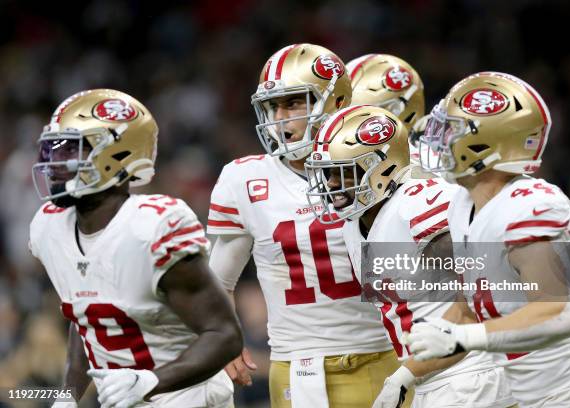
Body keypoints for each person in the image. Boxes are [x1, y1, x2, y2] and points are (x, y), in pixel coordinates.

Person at [207, 44, 401, 408]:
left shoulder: (380, 163)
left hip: (387, 353)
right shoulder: (245, 179)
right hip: (298, 365)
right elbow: (218, 279)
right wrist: (224, 337)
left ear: (336, 103)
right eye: (272, 106)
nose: (279, 117)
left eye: (294, 102)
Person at [405, 71, 570, 407]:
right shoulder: (464, 203)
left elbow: (560, 315)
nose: (437, 139)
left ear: (485, 144)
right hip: (527, 395)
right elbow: (470, 308)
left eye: (450, 131)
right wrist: (407, 374)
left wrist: (463, 339)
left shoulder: (530, 204)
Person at [29, 89, 242, 408]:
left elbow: (225, 336)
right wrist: (69, 395)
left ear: (118, 156)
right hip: (124, 399)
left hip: (186, 398)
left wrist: (152, 380)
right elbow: (87, 316)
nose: (55, 163)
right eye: (54, 150)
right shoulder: (50, 226)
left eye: (72, 150)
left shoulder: (152, 228)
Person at [305, 104, 515, 408]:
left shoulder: (417, 208)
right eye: (327, 173)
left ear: (383, 167)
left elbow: (481, 297)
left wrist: (406, 374)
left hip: (470, 377)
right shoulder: (355, 221)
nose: (332, 184)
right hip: (433, 378)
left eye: (344, 172)